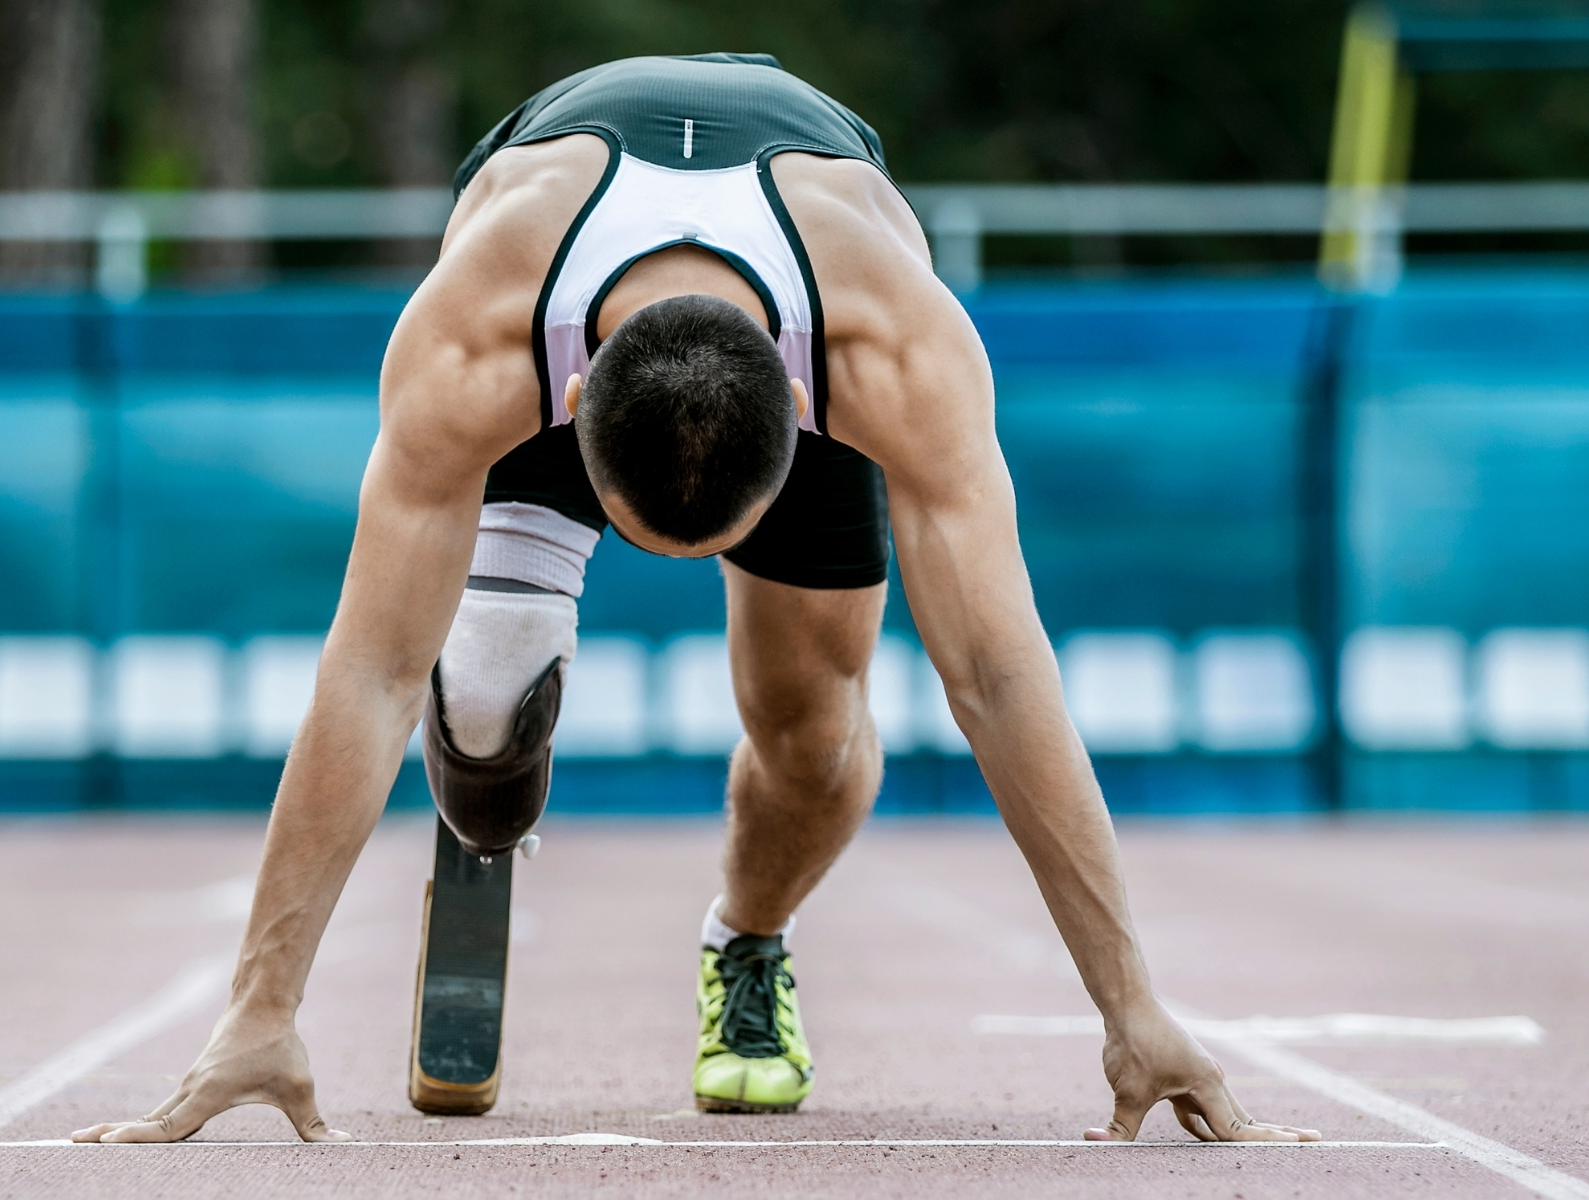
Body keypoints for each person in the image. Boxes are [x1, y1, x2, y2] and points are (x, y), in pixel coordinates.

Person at [72, 53, 1318, 1145]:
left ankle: (748, 941)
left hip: (799, 268)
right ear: (565, 428)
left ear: (803, 426)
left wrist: (1133, 1006)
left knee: (815, 746)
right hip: (553, 262)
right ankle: (485, 790)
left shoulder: (894, 352)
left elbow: (996, 677)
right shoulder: (472, 343)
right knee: (481, 673)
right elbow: (366, 669)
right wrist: (260, 1009)